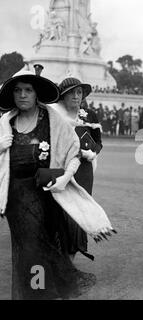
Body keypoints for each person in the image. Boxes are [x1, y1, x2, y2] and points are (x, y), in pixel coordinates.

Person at [0, 70, 96, 299]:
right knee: (27, 253)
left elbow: (74, 153)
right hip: (17, 201)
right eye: (17, 90)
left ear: (36, 94)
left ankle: (39, 292)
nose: (22, 95)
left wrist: (64, 178)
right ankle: (36, 292)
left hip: (47, 197)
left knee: (40, 251)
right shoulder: (5, 123)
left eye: (28, 90)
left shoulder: (52, 120)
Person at [54, 77, 103, 261]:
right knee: (60, 212)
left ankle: (70, 258)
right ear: (63, 96)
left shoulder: (90, 115)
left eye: (79, 92)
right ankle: (58, 255)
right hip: (60, 167)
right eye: (71, 93)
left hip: (84, 170)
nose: (76, 96)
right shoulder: (54, 115)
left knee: (78, 212)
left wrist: (92, 153)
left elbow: (98, 142)